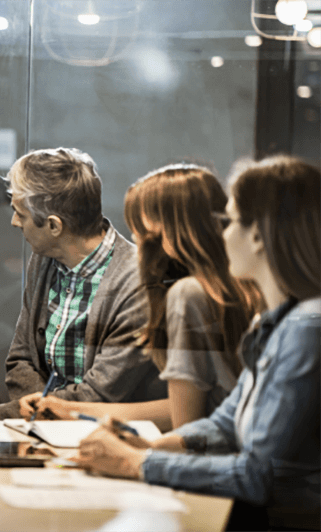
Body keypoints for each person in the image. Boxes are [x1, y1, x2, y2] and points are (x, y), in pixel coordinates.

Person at [72, 156, 320, 531]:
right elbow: (223, 423)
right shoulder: (276, 319)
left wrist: (134, 462)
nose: (223, 235)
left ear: (257, 236)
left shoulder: (305, 328)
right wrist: (150, 447)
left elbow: (255, 474)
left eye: (231, 221)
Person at [25, 165, 260, 430]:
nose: (137, 241)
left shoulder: (189, 295)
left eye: (141, 229)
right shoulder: (243, 292)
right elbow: (185, 406)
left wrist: (133, 455)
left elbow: (186, 424)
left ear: (171, 228)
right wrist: (70, 409)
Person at [0, 148, 165, 420]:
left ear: (53, 226)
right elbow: (20, 359)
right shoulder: (44, 259)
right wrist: (35, 415)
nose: (14, 222)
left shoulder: (139, 282)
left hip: (97, 435)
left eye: (20, 214)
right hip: (38, 426)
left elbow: (98, 395)